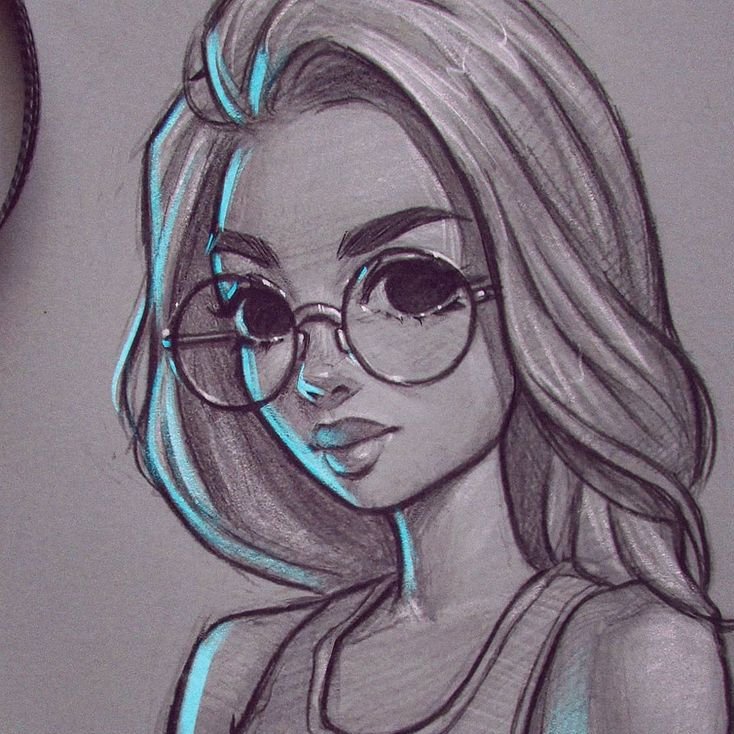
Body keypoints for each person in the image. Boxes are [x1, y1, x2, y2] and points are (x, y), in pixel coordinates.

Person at [113, 0, 731, 732]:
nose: (317, 373)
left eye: (407, 288)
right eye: (260, 311)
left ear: (541, 284)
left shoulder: (631, 656)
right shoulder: (241, 671)